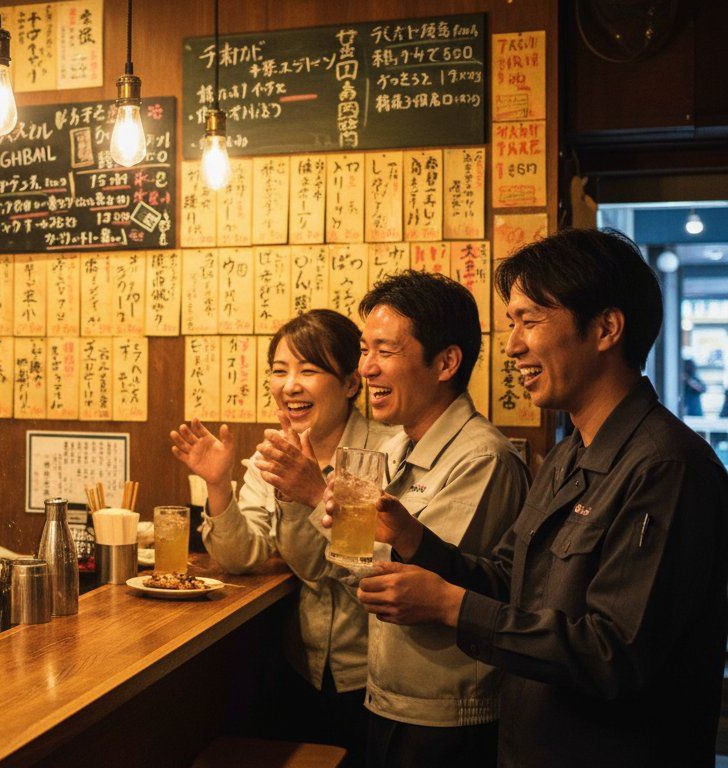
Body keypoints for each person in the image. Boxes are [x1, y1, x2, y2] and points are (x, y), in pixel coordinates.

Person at [348, 229, 728, 767]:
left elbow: (612, 653)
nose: (512, 346)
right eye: (511, 324)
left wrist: (450, 607)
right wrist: (415, 541)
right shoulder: (568, 454)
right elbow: (508, 583)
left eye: (530, 321)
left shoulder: (667, 467)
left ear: (605, 328)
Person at [170, 310, 399, 762]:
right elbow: (242, 556)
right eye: (279, 371)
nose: (290, 385)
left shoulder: (386, 452)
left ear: (351, 383)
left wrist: (305, 493)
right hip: (301, 664)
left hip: (377, 674)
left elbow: (332, 565)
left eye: (308, 371)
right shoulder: (273, 455)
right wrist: (219, 487)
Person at [346, 271, 529, 768]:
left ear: (446, 362)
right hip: (387, 693)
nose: (367, 368)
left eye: (384, 351)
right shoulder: (393, 445)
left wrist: (324, 504)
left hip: (447, 713)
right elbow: (353, 572)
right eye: (365, 350)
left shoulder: (484, 459)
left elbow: (413, 591)